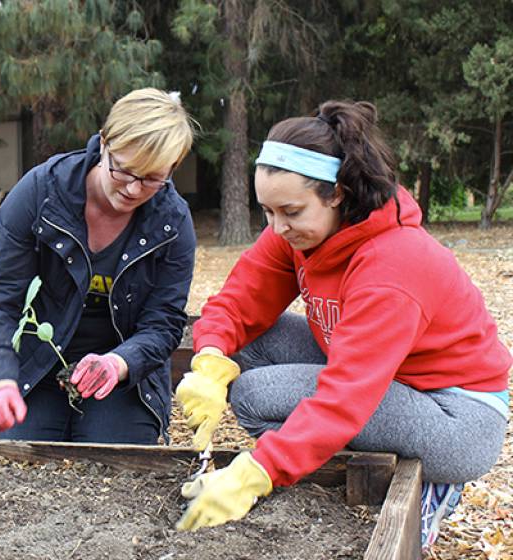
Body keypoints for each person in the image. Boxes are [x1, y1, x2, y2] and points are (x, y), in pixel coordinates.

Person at [175, 100, 511, 551]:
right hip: (384, 377)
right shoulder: (300, 232)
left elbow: (345, 396)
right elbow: (237, 302)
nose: (276, 228)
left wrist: (256, 472)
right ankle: (328, 463)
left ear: (338, 193)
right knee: (249, 346)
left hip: (454, 417)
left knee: (256, 393)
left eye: (290, 212)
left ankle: (410, 486)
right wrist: (209, 359)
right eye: (267, 212)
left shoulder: (393, 264)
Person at [0, 88, 198, 444]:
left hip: (124, 377)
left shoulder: (172, 222)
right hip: (39, 365)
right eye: (124, 170)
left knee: (116, 457)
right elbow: (0, 300)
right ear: (104, 143)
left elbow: (165, 323)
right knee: (18, 450)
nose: (133, 189)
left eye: (153, 178)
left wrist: (118, 363)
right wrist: (2, 382)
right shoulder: (40, 193)